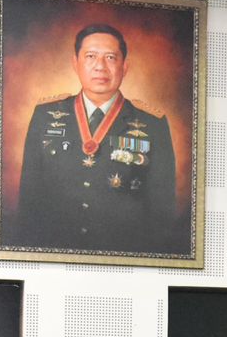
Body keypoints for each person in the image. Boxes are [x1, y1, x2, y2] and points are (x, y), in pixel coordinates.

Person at [14, 23, 179, 254]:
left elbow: (162, 213)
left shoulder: (153, 124)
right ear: (75, 63)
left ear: (125, 66)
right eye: (90, 56)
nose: (100, 66)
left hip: (124, 254)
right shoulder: (45, 115)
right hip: (54, 251)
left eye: (110, 57)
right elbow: (29, 201)